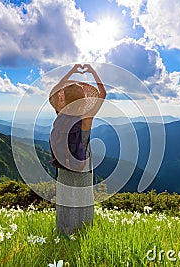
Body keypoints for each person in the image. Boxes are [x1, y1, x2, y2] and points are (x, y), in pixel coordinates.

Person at [49, 64, 106, 235]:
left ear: (63, 99)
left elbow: (53, 91)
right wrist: (92, 72)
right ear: (83, 100)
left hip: (64, 162)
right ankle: (82, 229)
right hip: (83, 163)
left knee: (65, 197)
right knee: (83, 196)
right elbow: (103, 94)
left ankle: (64, 230)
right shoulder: (86, 117)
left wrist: (72, 71)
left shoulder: (60, 114)